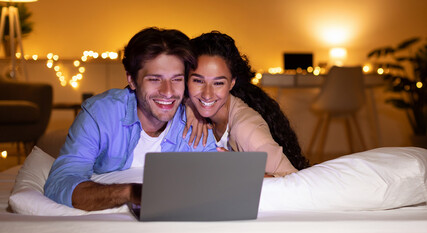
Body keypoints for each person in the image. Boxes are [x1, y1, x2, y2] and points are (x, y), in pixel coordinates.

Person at [44, 27, 217, 211]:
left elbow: (215, 185)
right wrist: (130, 193)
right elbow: (60, 184)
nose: (168, 92)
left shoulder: (195, 124)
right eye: (154, 79)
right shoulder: (100, 114)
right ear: (132, 80)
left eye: (176, 79)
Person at [186, 31, 309, 177]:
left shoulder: (246, 130)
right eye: (198, 81)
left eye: (218, 83)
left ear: (232, 83)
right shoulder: (194, 107)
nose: (207, 94)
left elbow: (292, 182)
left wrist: (240, 170)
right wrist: (189, 105)